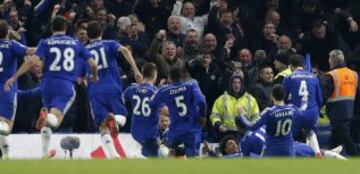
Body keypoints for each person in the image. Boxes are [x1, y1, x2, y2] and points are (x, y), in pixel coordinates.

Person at [31, 16, 99, 159]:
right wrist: (94, 76)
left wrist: (39, 73)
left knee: (48, 124)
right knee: (55, 120)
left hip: (47, 84)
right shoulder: (75, 44)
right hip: (65, 85)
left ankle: (44, 153)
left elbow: (39, 61)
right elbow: (93, 64)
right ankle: (47, 117)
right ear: (66, 28)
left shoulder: (46, 42)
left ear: (51, 28)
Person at [85, 21, 142, 159]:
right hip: (112, 87)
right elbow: (125, 50)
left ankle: (114, 155)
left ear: (87, 35)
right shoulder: (110, 43)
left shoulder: (84, 50)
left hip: (95, 90)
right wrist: (135, 70)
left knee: (102, 125)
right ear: (101, 32)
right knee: (122, 117)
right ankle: (115, 120)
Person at [149, 66, 207, 157]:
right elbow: (201, 100)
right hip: (193, 127)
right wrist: (202, 115)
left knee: (164, 147)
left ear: (170, 78)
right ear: (182, 77)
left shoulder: (164, 90)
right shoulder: (192, 85)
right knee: (193, 157)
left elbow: (151, 103)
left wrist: (159, 93)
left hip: (175, 129)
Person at [0, 20, 35, 159]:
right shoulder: (12, 45)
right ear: (7, 32)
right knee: (6, 128)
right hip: (7, 88)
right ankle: (6, 152)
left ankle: (6, 154)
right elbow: (31, 52)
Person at [237, 84, 300, 157]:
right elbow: (303, 115)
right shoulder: (292, 109)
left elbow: (252, 126)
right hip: (289, 149)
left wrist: (242, 114)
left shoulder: (269, 112)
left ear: (272, 96)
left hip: (272, 150)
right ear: (285, 95)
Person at [282, 54, 323, 157]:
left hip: (297, 114)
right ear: (304, 66)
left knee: (289, 138)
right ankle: (317, 153)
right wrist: (316, 112)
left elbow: (282, 99)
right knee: (310, 132)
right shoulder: (314, 77)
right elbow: (320, 100)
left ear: (291, 66)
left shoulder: (289, 78)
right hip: (311, 113)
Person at [323, 50, 359, 156]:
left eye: (330, 60)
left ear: (333, 61)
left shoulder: (331, 75)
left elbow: (324, 95)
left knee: (346, 141)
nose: (329, 62)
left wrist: (317, 108)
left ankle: (356, 159)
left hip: (336, 113)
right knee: (334, 142)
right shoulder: (354, 74)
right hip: (350, 112)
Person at [122, 63, 160, 157]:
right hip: (150, 131)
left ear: (142, 73)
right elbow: (164, 110)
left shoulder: (132, 88)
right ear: (155, 75)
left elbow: (121, 100)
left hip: (135, 129)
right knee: (155, 159)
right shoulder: (155, 91)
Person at [210, 72, 259, 140]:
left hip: (245, 133)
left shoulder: (251, 99)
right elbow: (214, 116)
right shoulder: (222, 99)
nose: (236, 85)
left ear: (242, 84)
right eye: (234, 82)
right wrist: (219, 125)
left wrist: (246, 119)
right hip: (227, 134)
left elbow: (256, 117)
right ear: (230, 84)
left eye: (239, 83)